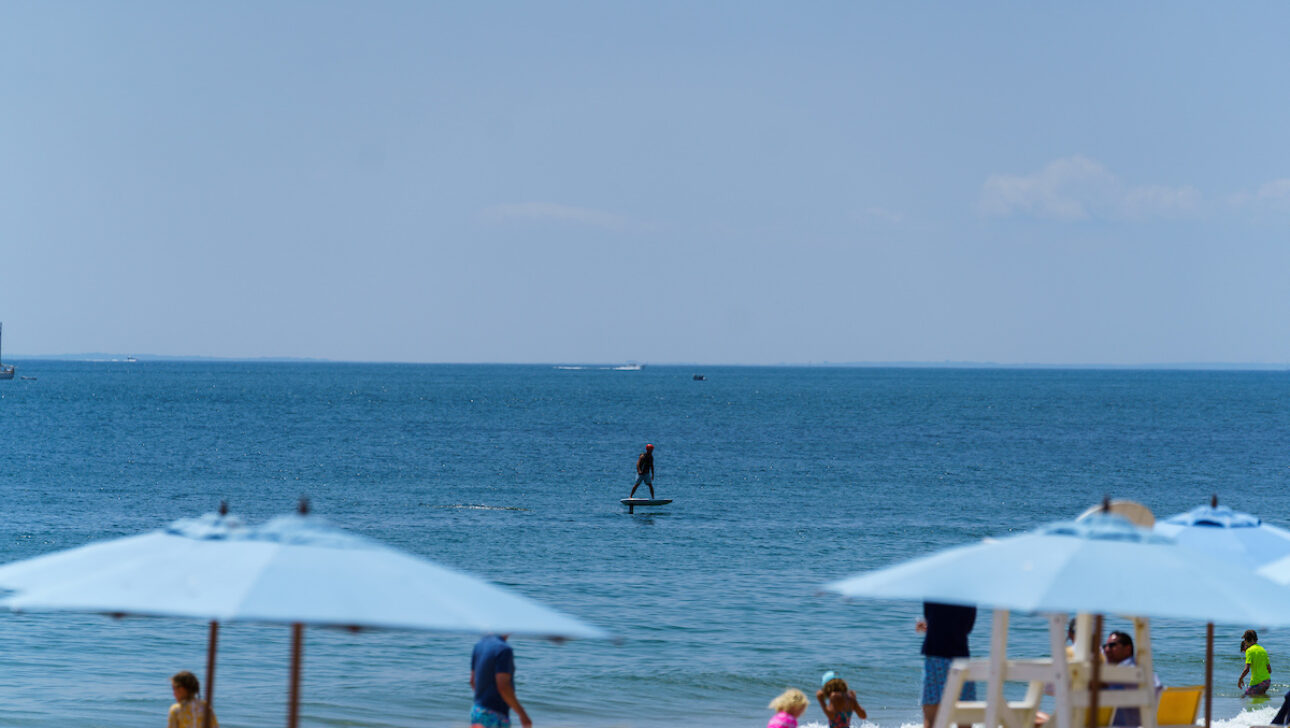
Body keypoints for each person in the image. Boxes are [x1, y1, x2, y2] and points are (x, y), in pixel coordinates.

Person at [917, 601, 977, 728]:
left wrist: (932, 627)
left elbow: (931, 617)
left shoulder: (934, 593)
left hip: (935, 656)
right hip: (960, 658)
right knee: (964, 718)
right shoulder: (969, 596)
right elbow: (967, 627)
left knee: (932, 718)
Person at [1102, 630, 1162, 727]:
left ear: (1128, 649)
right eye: (1105, 646)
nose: (1107, 650)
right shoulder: (1144, 670)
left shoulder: (1127, 671)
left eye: (1112, 645)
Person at [471, 634, 532, 728]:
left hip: (478, 711)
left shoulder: (479, 645)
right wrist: (522, 714)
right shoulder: (504, 649)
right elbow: (503, 687)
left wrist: (484, 699)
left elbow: (472, 681)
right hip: (495, 714)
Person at [1240, 629, 1272, 696]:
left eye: (1245, 640)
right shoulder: (1263, 650)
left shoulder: (1249, 651)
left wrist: (1240, 679)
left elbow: (1246, 669)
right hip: (1267, 682)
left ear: (1248, 639)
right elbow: (1269, 670)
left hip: (1257, 683)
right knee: (1260, 698)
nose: (1245, 642)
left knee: (1244, 697)